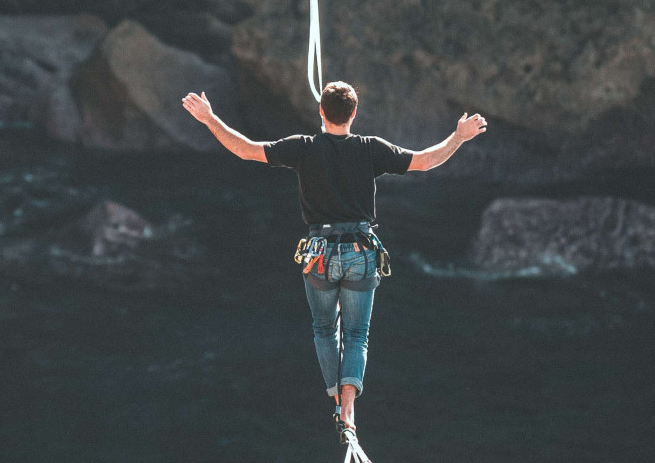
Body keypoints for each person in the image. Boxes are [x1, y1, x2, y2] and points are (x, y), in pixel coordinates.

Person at [181, 81, 486, 430]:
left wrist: (209, 118)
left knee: (325, 329)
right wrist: (459, 136)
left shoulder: (303, 148)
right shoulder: (372, 148)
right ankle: (348, 410)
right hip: (360, 250)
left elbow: (246, 149)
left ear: (321, 112)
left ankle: (336, 398)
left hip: (319, 253)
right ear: (354, 113)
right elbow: (424, 162)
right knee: (357, 335)